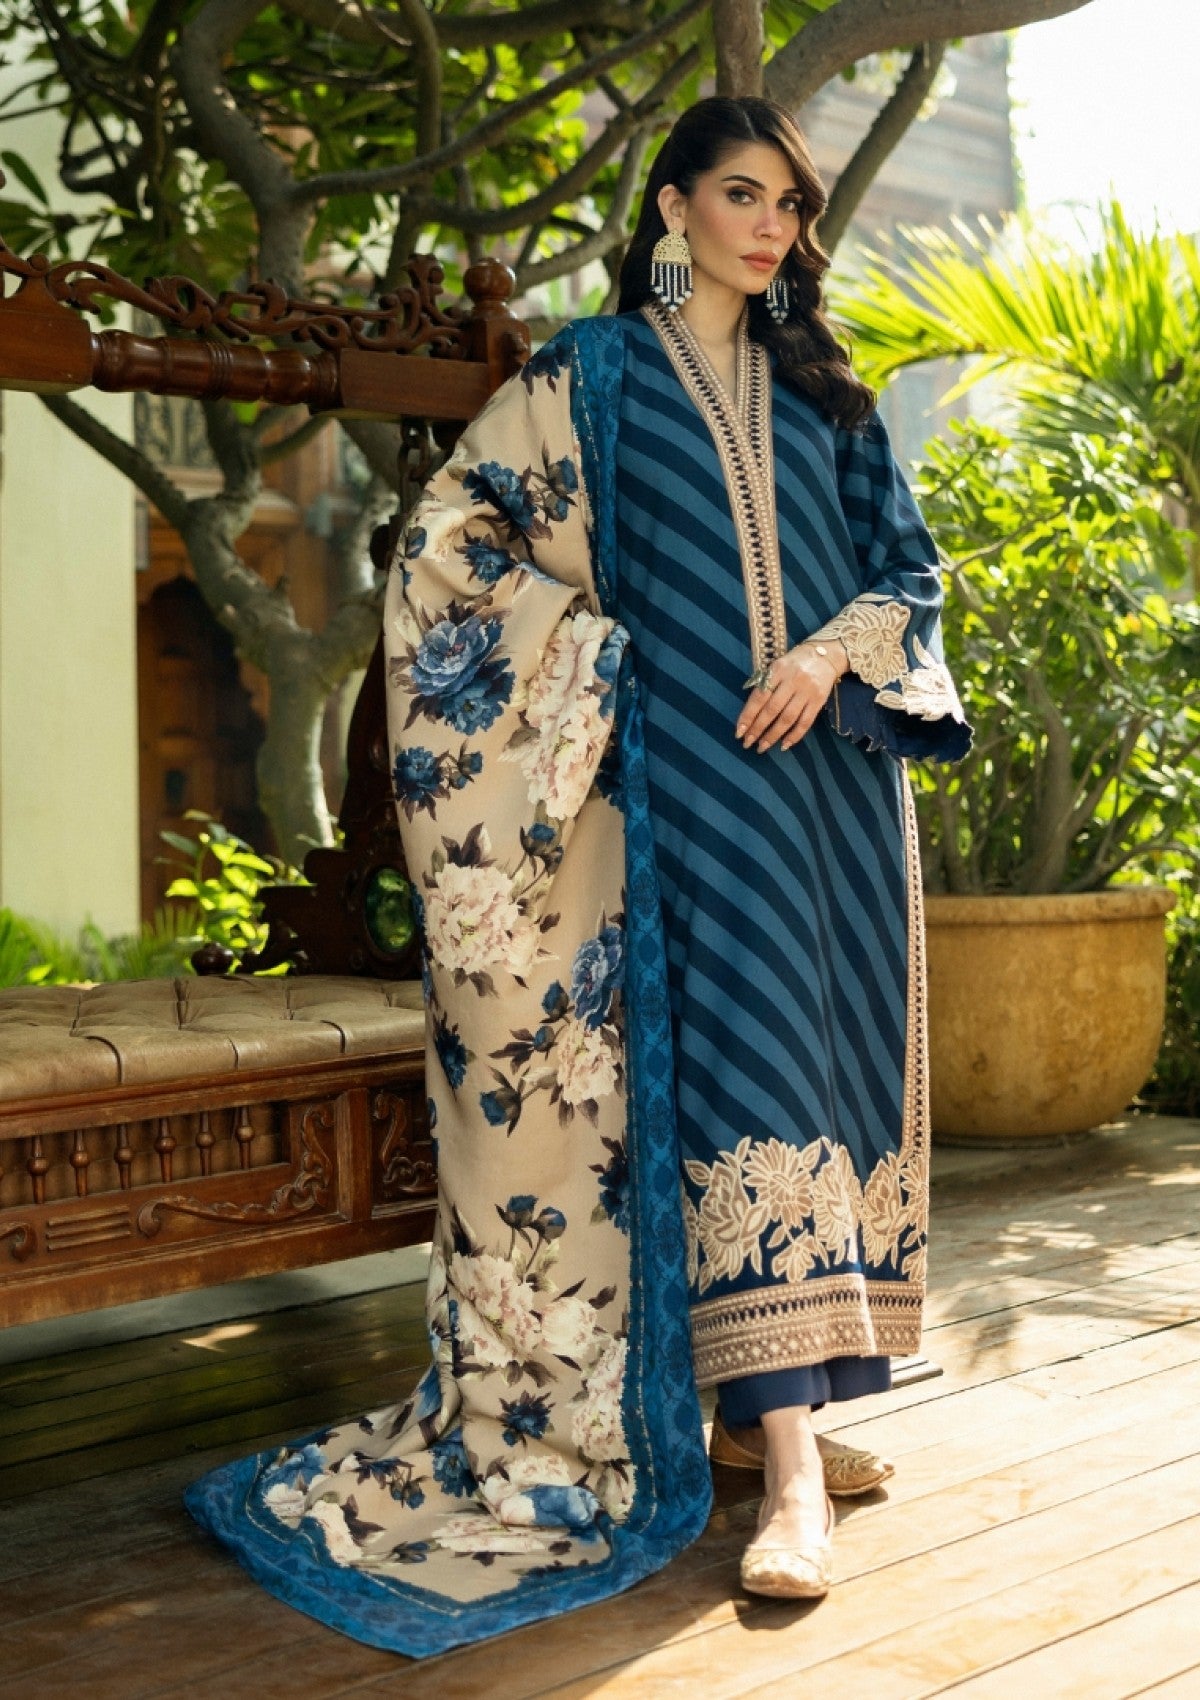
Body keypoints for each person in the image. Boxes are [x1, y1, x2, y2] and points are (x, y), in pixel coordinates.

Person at [185, 94, 969, 1654]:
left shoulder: (827, 392)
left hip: (834, 793)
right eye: (742, 195)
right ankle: (791, 1478)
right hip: (680, 801)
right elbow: (451, 560)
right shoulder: (589, 380)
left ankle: (763, 1412)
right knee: (746, 1083)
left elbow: (909, 573)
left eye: (791, 204)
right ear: (674, 207)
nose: (772, 227)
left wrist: (828, 654)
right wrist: (603, 658)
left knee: (828, 1086)